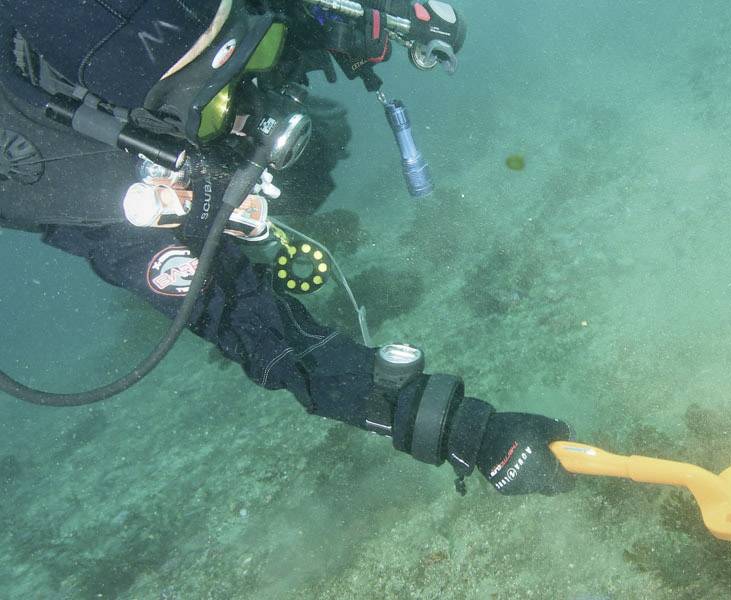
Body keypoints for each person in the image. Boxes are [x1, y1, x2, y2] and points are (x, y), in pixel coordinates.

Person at [0, 0, 574, 496]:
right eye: (222, 104)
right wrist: (452, 427)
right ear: (147, 129)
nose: (261, 122)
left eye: (254, 55)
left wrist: (348, 18)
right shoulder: (70, 183)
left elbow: (259, 25)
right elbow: (259, 329)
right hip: (112, 170)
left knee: (286, 99)